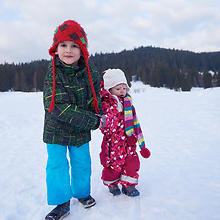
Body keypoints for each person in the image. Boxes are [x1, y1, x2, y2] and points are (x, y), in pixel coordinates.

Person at [43, 20, 102, 220]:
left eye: (74, 45)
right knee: (57, 165)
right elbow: (59, 108)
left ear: (82, 49)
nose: (68, 50)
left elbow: (97, 98)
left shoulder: (90, 73)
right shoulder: (53, 74)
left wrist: (101, 114)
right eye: (63, 45)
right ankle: (61, 203)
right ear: (56, 48)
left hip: (79, 132)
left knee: (82, 162)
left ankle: (82, 193)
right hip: (56, 131)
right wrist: (93, 121)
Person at [99, 68, 151, 197]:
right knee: (112, 164)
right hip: (113, 142)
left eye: (124, 88)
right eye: (118, 88)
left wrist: (140, 142)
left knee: (131, 162)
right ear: (109, 90)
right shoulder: (105, 105)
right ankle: (112, 183)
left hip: (129, 140)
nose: (122, 91)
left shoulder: (128, 103)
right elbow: (103, 124)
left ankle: (129, 185)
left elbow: (135, 122)